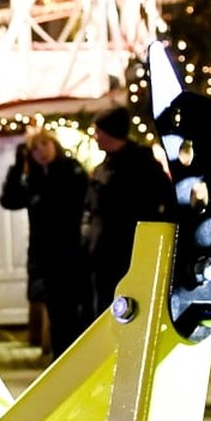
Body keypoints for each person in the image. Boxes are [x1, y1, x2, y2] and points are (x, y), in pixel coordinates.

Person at [0, 127, 91, 355]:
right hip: (45, 256)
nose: (40, 151)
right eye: (34, 148)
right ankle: (61, 360)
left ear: (53, 144)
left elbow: (79, 205)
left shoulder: (71, 170)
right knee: (55, 312)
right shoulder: (35, 178)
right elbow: (9, 200)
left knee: (71, 314)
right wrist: (18, 164)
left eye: (44, 144)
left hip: (70, 254)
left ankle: (71, 359)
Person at [82, 107, 175, 318]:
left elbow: (164, 202)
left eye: (99, 132)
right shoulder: (103, 167)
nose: (96, 137)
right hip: (103, 252)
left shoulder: (142, 165)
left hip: (131, 249)